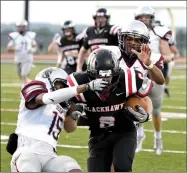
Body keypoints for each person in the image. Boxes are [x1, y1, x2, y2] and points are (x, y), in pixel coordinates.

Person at [67, 48, 154, 172]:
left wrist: (147, 115)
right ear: (90, 74)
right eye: (100, 77)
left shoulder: (127, 79)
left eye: (109, 77)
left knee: (121, 166)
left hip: (124, 132)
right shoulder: (77, 84)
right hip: (98, 135)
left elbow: (146, 100)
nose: (105, 81)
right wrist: (74, 115)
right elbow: (69, 124)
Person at [6, 67, 107, 172]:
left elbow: (70, 128)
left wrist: (73, 114)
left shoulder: (63, 104)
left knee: (72, 167)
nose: (63, 89)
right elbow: (47, 98)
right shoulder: (36, 87)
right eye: (60, 85)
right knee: (29, 165)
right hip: (27, 151)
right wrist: (86, 87)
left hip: (50, 156)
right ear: (48, 80)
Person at [134, 5, 173, 155]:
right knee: (136, 107)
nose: (144, 20)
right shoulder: (134, 33)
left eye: (146, 17)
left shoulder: (159, 32)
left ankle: (158, 138)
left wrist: (155, 59)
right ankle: (139, 136)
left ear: (151, 18)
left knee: (155, 110)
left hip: (154, 73)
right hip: (137, 74)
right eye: (141, 17)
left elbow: (168, 55)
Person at [76, 8, 121, 72]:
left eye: (102, 17)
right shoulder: (89, 31)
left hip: (110, 65)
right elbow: (83, 51)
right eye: (98, 18)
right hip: (93, 65)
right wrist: (79, 68)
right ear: (95, 18)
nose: (100, 20)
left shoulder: (112, 29)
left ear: (107, 18)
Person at [7, 19, 38, 87]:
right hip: (18, 59)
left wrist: (33, 50)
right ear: (17, 27)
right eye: (19, 27)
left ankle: (29, 86)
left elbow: (35, 46)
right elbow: (9, 48)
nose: (21, 28)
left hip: (28, 59)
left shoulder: (30, 35)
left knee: (24, 76)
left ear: (25, 27)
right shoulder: (15, 36)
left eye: (22, 27)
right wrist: (16, 48)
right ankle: (33, 84)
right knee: (21, 76)